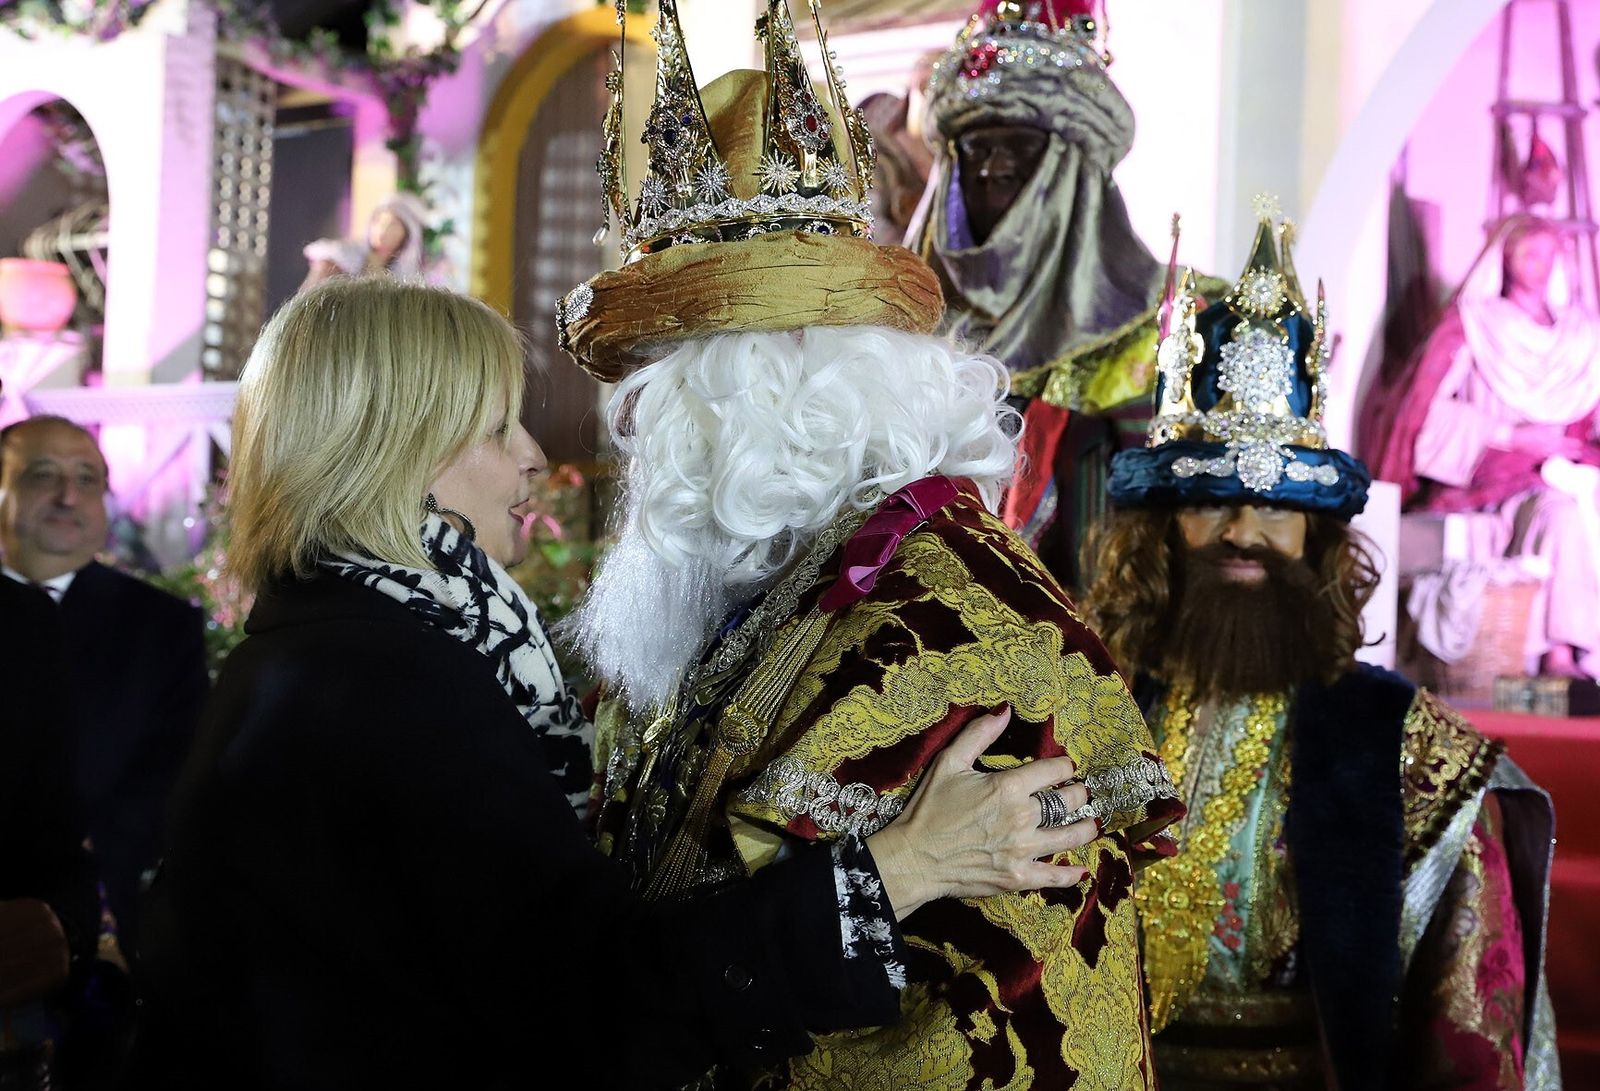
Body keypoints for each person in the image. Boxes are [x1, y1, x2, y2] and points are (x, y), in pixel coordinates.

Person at [136, 275, 1111, 1091]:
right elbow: (592, 1008)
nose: (533, 455)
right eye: (494, 427)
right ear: (390, 457)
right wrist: (905, 864)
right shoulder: (388, 678)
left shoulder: (321, 645)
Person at [557, 3, 1182, 1087]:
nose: (635, 427)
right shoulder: (782, 568)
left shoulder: (952, 614)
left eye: (663, 379)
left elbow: (977, 1012)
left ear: (773, 376)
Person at [1081, 204, 1561, 1089]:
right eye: (1210, 502)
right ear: (1159, 531)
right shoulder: (1081, 712)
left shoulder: (1412, 752)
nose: (1242, 533)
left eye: (1276, 510)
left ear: (1322, 541)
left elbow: (1470, 1037)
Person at [908, 0, 1202, 588]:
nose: (990, 169)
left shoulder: (1175, 330)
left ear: (1072, 171)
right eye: (974, 148)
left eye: (1016, 145)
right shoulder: (904, 325)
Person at [0, 415, 207, 950]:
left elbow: (180, 765)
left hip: (98, 917)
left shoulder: (161, 626)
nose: (69, 496)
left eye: (87, 479)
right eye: (42, 475)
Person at [1366, 214, 1600, 678]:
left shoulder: (1580, 335)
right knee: (1561, 515)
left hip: (1568, 467)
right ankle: (1559, 654)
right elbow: (1427, 413)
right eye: (1531, 253)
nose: (1544, 264)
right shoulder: (1477, 324)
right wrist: (1513, 436)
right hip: (1505, 476)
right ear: (1507, 260)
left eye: (1552, 253)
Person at [298, 191, 428, 291]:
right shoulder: (339, 258)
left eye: (392, 225)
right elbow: (307, 302)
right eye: (379, 221)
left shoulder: (406, 276)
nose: (382, 230)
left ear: (407, 235)